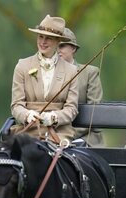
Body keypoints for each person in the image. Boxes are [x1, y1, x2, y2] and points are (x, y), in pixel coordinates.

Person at [10, 15, 79, 143]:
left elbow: (72, 108)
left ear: (58, 41)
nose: (43, 42)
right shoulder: (22, 66)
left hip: (59, 132)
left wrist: (54, 117)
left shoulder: (71, 71)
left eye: (48, 38)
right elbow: (16, 105)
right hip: (27, 130)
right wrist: (27, 115)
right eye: (41, 36)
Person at [58, 28, 104, 147]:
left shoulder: (89, 73)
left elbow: (94, 112)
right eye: (55, 46)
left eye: (62, 46)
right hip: (54, 135)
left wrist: (66, 135)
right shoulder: (47, 74)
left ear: (73, 48)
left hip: (85, 136)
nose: (58, 50)